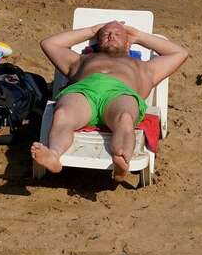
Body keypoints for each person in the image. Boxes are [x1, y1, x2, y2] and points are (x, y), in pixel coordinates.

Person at [31, 21, 189, 182]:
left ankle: (121, 159)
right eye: (105, 34)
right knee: (62, 114)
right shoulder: (81, 60)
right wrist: (91, 30)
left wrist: (140, 36)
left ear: (128, 43)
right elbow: (48, 43)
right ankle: (54, 155)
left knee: (125, 118)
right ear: (98, 41)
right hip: (83, 92)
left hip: (120, 95)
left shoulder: (144, 68)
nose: (111, 35)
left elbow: (180, 53)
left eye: (118, 34)